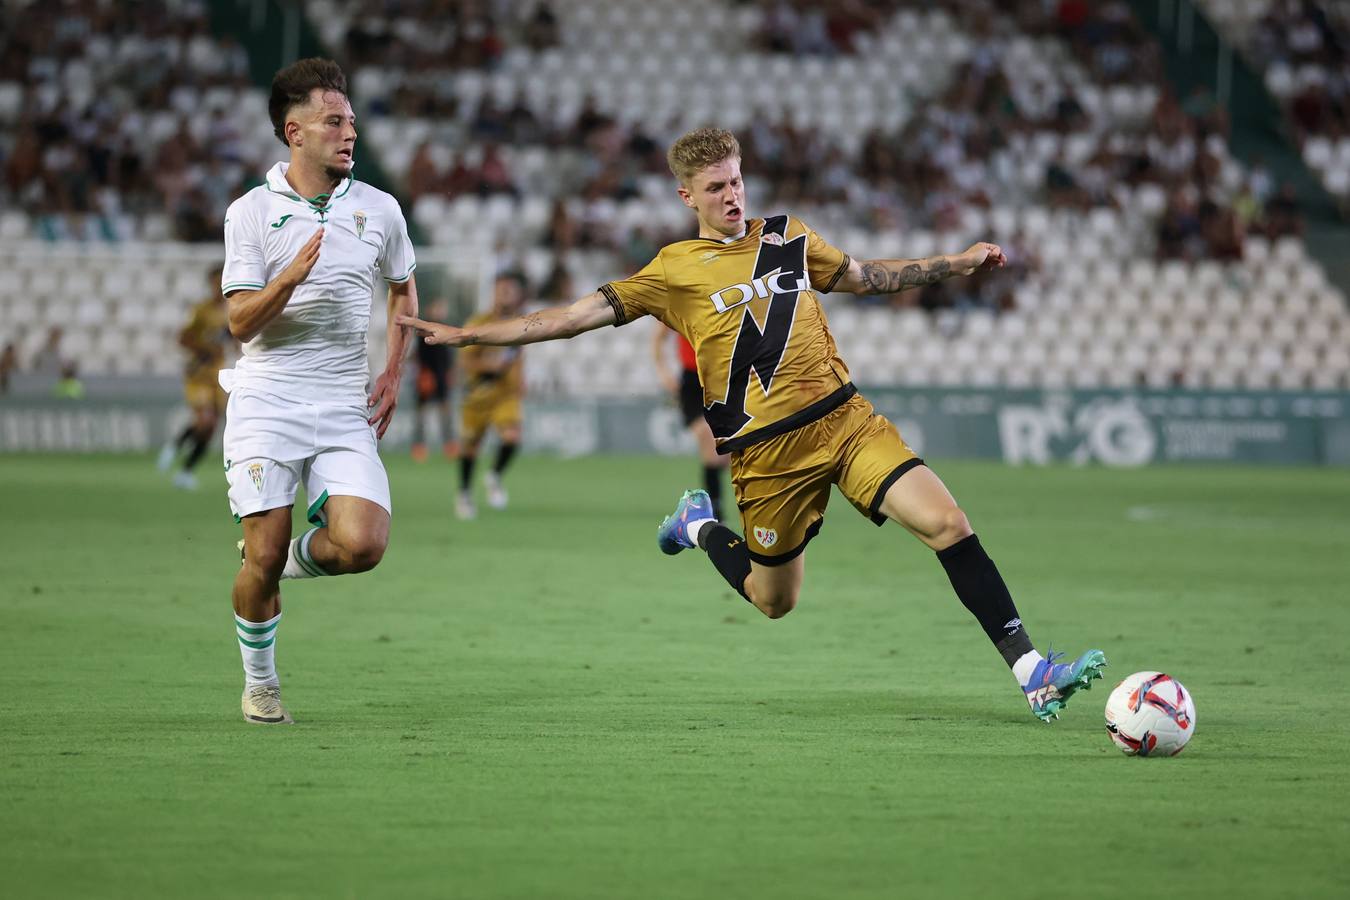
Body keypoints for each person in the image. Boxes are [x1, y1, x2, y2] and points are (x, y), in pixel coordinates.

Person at [399, 127, 1105, 722]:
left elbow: (866, 276)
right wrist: (473, 335)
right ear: (687, 197)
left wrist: (957, 263)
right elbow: (574, 316)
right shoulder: (674, 269)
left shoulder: (788, 236)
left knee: (948, 522)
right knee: (774, 600)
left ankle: (1032, 670)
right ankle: (699, 525)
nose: (732, 195)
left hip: (846, 421)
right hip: (768, 456)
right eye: (715, 188)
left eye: (736, 181)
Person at [220, 58, 418, 725]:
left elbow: (403, 289)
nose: (349, 132)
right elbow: (239, 320)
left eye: (351, 121)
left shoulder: (379, 209)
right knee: (260, 555)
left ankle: (285, 562)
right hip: (267, 400)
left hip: (341, 402)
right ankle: (261, 683)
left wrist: (393, 368)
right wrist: (287, 280)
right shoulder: (250, 213)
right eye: (333, 121)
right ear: (294, 132)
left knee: (363, 545)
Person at [454, 271, 526, 519]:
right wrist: (490, 367)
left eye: (511, 291)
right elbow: (465, 361)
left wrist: (520, 380)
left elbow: (518, 356)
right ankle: (464, 494)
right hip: (478, 394)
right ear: (494, 293)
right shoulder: (479, 322)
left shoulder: (520, 322)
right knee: (470, 448)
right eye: (502, 290)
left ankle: (494, 475)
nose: (506, 295)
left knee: (512, 437)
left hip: (505, 394)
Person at [158, 264, 232, 489]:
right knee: (205, 420)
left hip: (218, 374)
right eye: (215, 283)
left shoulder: (232, 309)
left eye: (221, 282)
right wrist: (205, 349)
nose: (218, 288)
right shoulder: (201, 310)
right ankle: (175, 448)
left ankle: (185, 470)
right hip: (199, 374)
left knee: (210, 427)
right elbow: (183, 338)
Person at [651, 324, 729, 520]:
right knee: (706, 437)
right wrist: (663, 372)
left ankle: (717, 506)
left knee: (723, 456)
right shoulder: (680, 309)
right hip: (692, 381)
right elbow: (659, 338)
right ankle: (715, 511)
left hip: (721, 379)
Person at [410, 297, 457, 463]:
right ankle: (419, 446)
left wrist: (450, 372)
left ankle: (449, 445)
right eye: (437, 308)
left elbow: (448, 355)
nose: (440, 312)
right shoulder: (424, 330)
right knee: (421, 416)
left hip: (441, 376)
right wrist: (422, 373)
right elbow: (419, 355)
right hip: (427, 376)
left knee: (446, 414)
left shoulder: (446, 329)